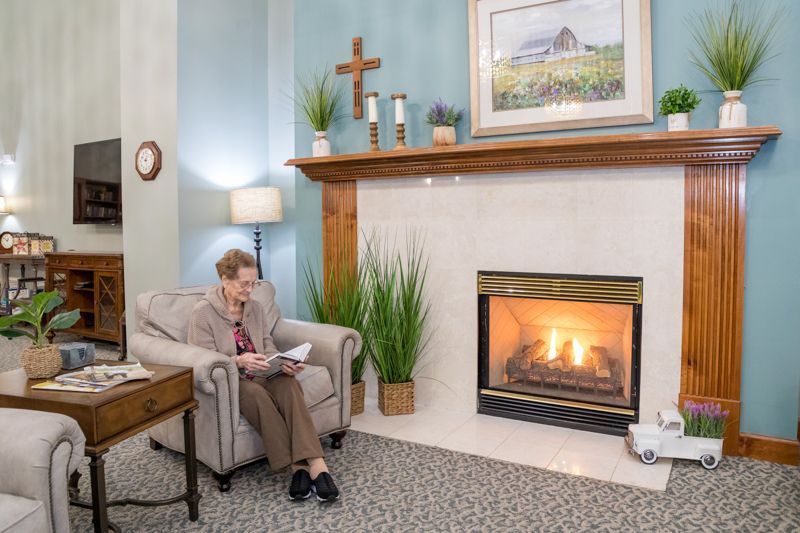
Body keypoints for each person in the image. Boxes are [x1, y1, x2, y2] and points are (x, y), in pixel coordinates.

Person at [187, 248, 339, 501]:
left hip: (263, 371)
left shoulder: (254, 308)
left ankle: (316, 464)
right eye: (244, 284)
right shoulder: (203, 312)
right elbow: (201, 359)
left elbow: (267, 344)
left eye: (253, 283)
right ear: (225, 280)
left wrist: (284, 362)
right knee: (258, 396)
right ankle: (300, 468)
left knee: (290, 386)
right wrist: (238, 360)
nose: (250, 289)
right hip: (233, 380)